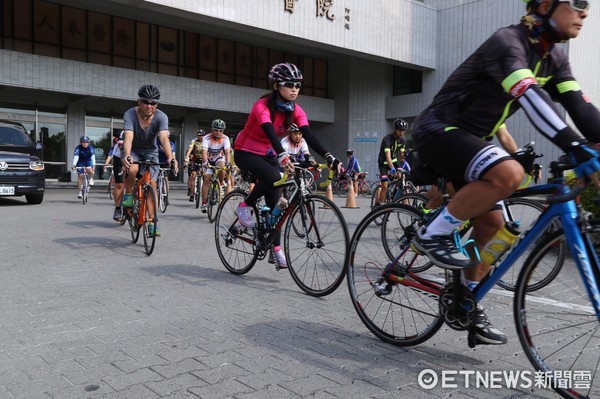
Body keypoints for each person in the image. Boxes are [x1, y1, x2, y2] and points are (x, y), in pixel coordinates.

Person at [410, 0, 600, 346]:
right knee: (509, 174)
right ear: (545, 5)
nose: (584, 12)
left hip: (471, 142)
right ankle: (432, 233)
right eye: (577, 3)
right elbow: (530, 98)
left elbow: (579, 107)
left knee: (496, 230)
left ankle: (466, 300)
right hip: (437, 131)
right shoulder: (507, 42)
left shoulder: (553, 58)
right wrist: (576, 146)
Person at [233, 62, 340, 270]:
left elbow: (308, 134)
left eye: (298, 85)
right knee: (273, 178)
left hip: (268, 154)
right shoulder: (262, 106)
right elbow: (270, 132)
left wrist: (329, 157)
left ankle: (275, 249)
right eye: (289, 84)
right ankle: (244, 206)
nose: (294, 89)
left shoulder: (296, 110)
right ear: (275, 85)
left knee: (277, 204)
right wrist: (282, 155)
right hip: (246, 151)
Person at [121, 84, 178, 237]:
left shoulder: (161, 117)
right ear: (139, 101)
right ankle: (128, 195)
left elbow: (164, 138)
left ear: (157, 104)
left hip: (150, 152)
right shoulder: (130, 114)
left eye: (153, 103)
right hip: (133, 149)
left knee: (151, 185)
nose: (149, 105)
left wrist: (171, 158)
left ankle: (152, 222)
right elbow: (128, 137)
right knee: (132, 168)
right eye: (146, 102)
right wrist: (127, 154)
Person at [200, 119, 231, 213]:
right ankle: (204, 203)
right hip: (208, 159)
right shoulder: (206, 138)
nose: (218, 132)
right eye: (216, 130)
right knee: (206, 179)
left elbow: (227, 152)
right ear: (212, 129)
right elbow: (204, 152)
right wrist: (205, 162)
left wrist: (228, 163)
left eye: (221, 131)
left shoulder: (225, 139)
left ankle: (220, 185)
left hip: (218, 158)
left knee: (222, 166)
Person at [376, 118, 407, 206]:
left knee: (401, 177)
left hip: (394, 161)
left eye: (404, 131)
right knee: (385, 186)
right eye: (400, 130)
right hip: (383, 163)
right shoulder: (387, 139)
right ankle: (381, 206)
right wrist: (392, 169)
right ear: (395, 130)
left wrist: (405, 154)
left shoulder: (403, 139)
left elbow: (401, 157)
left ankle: (393, 196)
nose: (402, 133)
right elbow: (387, 156)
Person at [104, 132, 125, 221]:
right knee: (120, 184)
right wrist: (106, 164)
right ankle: (118, 208)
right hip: (120, 156)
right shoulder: (125, 132)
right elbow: (119, 149)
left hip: (137, 154)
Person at [184, 129, 205, 202]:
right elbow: (190, 149)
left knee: (206, 177)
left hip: (204, 160)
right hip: (195, 160)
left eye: (202, 135)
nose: (201, 137)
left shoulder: (206, 141)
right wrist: (186, 157)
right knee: (193, 176)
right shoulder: (194, 141)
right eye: (199, 135)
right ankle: (192, 194)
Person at [157, 131, 177, 204]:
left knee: (165, 178)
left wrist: (175, 164)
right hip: (157, 162)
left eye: (168, 137)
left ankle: (166, 196)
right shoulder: (156, 143)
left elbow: (173, 156)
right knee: (155, 179)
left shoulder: (171, 144)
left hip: (166, 162)